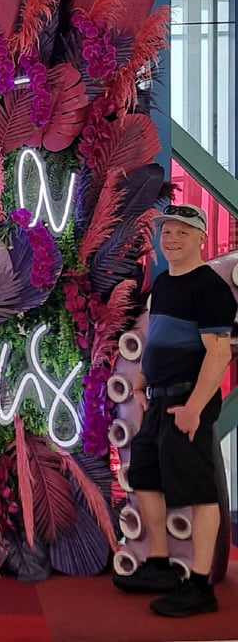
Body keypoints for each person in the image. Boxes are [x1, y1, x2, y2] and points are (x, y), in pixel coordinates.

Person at [112, 203, 236, 617]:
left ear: (201, 238)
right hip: (158, 400)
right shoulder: (165, 283)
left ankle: (200, 587)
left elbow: (219, 354)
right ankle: (160, 565)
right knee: (145, 478)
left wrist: (193, 409)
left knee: (199, 491)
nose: (172, 238)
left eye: (183, 231)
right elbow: (157, 337)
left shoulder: (209, 289)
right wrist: (142, 382)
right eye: (167, 231)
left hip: (186, 401)